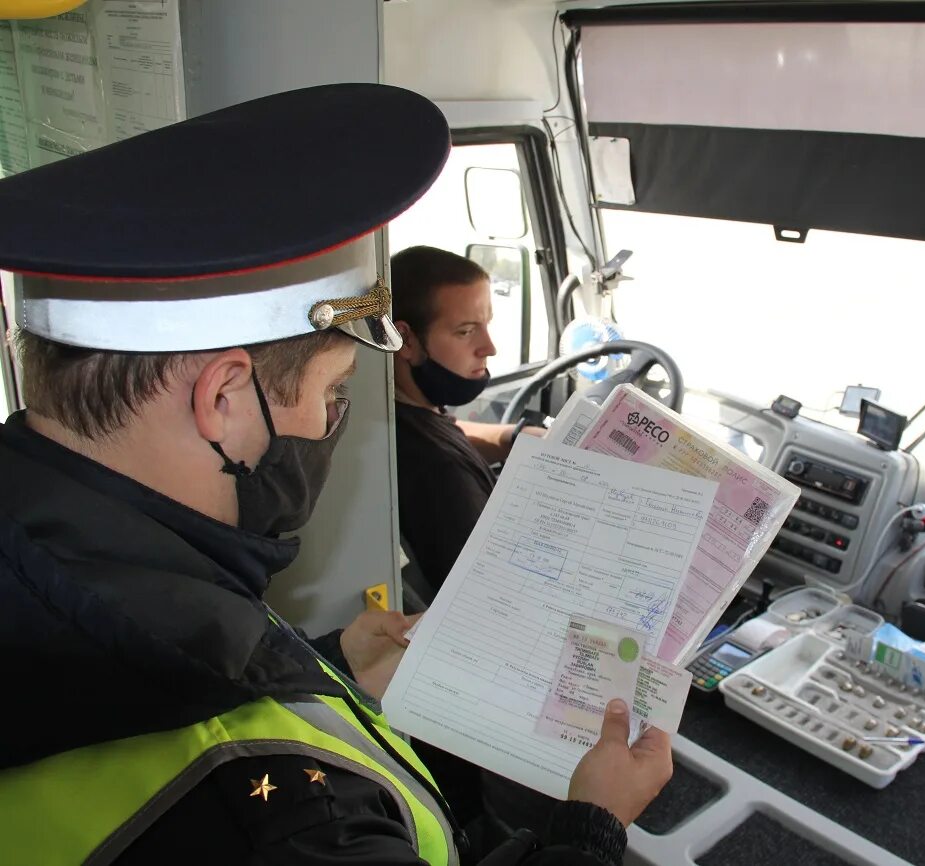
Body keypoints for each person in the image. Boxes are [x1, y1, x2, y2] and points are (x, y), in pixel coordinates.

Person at [0, 84, 671, 865]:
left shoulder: (56, 556)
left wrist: (325, 664)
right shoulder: (283, 818)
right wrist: (591, 826)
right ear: (222, 398)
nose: (329, 426)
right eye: (332, 393)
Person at [389, 245, 543, 596]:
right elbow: (496, 595)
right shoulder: (440, 472)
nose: (489, 347)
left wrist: (513, 437)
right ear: (406, 341)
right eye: (465, 331)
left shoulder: (406, 414)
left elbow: (448, 432)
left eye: (486, 325)